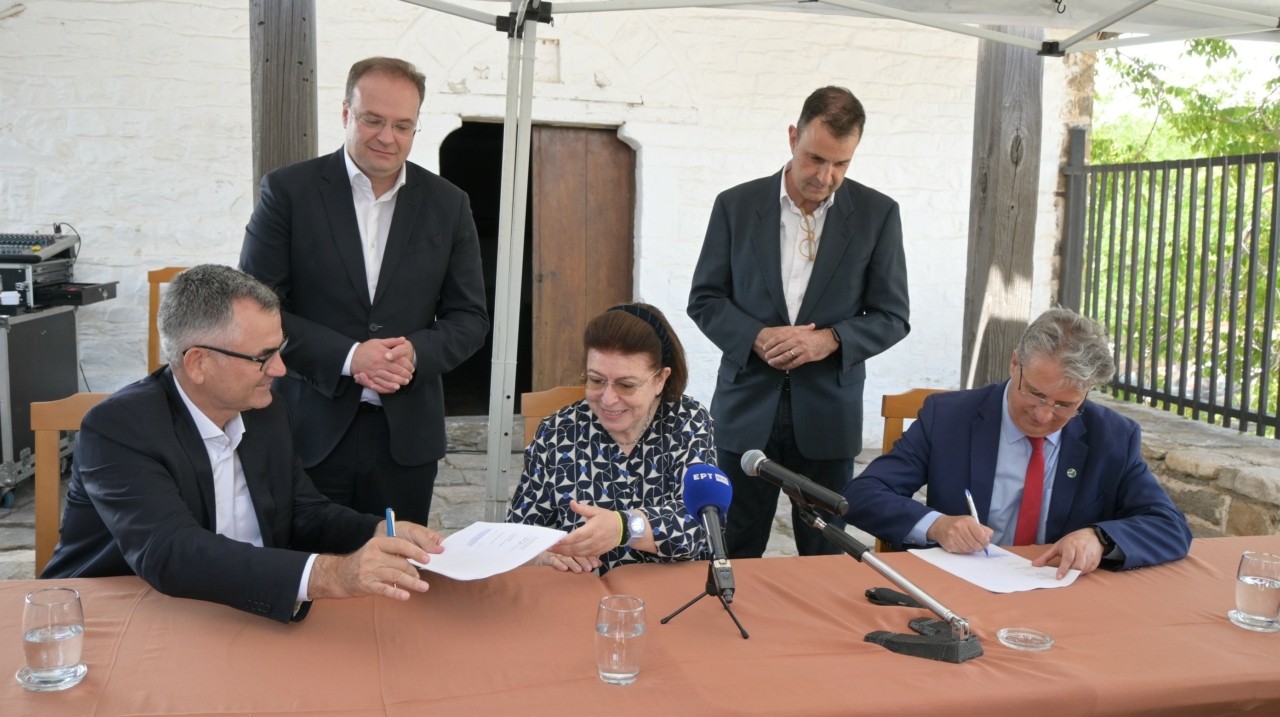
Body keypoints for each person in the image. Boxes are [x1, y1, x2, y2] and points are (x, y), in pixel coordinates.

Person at [42, 265, 444, 623]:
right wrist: (331, 575)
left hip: (242, 610)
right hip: (115, 614)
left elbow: (303, 511)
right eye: (263, 357)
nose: (280, 369)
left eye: (280, 349)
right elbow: (171, 552)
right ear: (198, 362)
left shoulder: (265, 411)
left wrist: (377, 531)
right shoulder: (119, 427)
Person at [240, 56, 488, 526]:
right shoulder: (288, 192)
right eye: (373, 120)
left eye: (402, 125)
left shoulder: (449, 204)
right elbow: (255, 309)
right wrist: (351, 357)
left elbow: (470, 318)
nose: (387, 137)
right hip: (308, 430)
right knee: (309, 562)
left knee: (397, 562)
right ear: (346, 113)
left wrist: (414, 352)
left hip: (406, 440)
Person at [688, 86, 910, 558]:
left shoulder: (878, 215)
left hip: (829, 415)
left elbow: (893, 316)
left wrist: (830, 340)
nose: (826, 177)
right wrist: (755, 336)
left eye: (841, 164)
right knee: (732, 547)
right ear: (793, 137)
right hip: (745, 411)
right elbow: (705, 299)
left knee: (826, 553)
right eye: (815, 159)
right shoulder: (734, 205)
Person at [844, 308, 1193, 576]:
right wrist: (936, 525)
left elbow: (1171, 526)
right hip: (959, 585)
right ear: (1015, 364)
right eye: (1035, 394)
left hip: (1057, 590)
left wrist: (1099, 538)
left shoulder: (1112, 436)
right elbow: (863, 495)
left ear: (1086, 393)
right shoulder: (949, 418)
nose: (1043, 415)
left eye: (1064, 405)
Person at [508, 303, 714, 574]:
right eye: (596, 380)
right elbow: (517, 533)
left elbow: (701, 525)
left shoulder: (687, 421)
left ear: (660, 380)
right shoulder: (558, 431)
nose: (607, 399)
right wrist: (544, 555)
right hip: (582, 589)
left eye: (626, 385)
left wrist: (625, 527)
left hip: (672, 588)